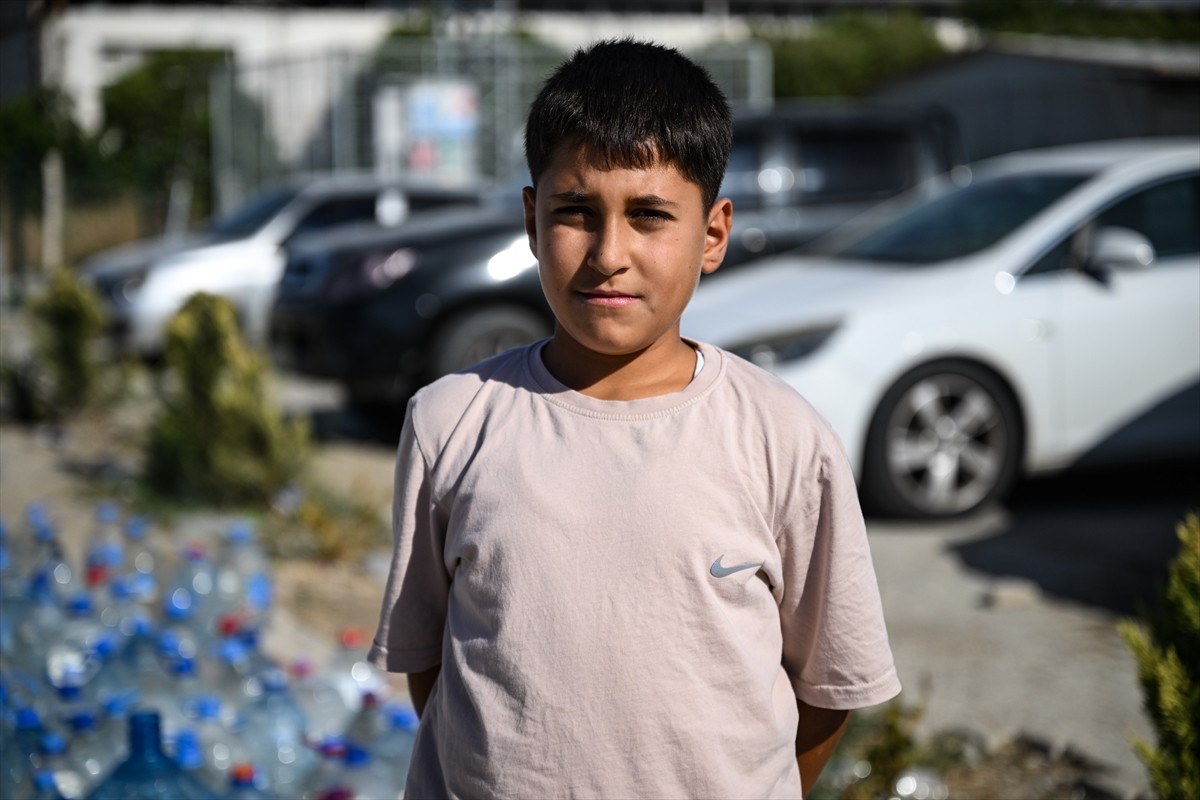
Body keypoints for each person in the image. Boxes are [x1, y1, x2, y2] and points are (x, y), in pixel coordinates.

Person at [369, 38, 901, 798]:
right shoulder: (451, 421)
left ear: (712, 234)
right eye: (576, 212)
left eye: (650, 214)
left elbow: (826, 690)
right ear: (531, 217)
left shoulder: (784, 438)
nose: (609, 252)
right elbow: (436, 665)